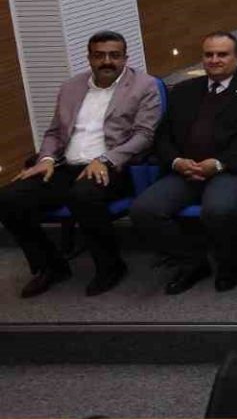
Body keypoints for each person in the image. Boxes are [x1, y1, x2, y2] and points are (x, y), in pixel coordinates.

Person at [0, 31, 160, 298]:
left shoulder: (144, 86)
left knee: (83, 195)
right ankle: (50, 266)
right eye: (99, 56)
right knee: (8, 198)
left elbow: (144, 135)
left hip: (114, 167)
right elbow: (54, 132)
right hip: (66, 166)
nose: (106, 61)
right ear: (89, 58)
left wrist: (105, 159)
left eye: (114, 55)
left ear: (125, 58)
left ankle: (110, 267)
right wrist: (46, 159)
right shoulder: (71, 87)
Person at [130, 32, 237, 295]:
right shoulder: (183, 90)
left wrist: (219, 163)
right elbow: (163, 135)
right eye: (209, 54)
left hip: (229, 170)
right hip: (184, 171)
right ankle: (192, 262)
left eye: (222, 54)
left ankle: (229, 266)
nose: (214, 60)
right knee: (144, 210)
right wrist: (176, 162)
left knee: (218, 209)